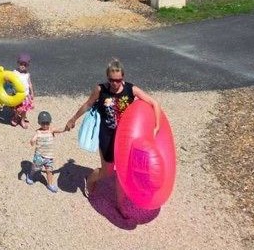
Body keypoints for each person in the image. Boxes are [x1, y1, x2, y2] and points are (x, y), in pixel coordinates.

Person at [64, 58, 162, 215]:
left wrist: (156, 126)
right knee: (107, 172)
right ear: (107, 78)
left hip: (126, 139)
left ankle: (120, 205)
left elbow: (154, 103)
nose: (115, 83)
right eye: (111, 80)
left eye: (118, 80)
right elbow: (88, 104)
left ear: (123, 77)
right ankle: (90, 180)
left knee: (123, 173)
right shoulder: (101, 89)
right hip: (107, 136)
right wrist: (73, 119)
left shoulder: (131, 89)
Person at [27, 111, 66, 192]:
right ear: (39, 123)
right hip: (39, 156)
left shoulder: (51, 130)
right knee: (35, 168)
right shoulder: (38, 132)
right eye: (43, 123)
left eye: (47, 123)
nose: (45, 125)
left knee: (49, 171)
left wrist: (66, 128)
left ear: (50, 122)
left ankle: (50, 184)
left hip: (49, 156)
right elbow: (33, 139)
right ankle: (30, 175)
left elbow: (60, 130)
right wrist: (32, 141)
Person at [11, 53, 35, 128]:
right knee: (17, 109)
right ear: (18, 63)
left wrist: (32, 93)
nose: (23, 66)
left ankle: (22, 120)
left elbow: (30, 84)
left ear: (27, 66)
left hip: (25, 95)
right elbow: (10, 81)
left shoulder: (27, 74)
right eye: (21, 64)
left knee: (24, 109)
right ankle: (16, 117)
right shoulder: (15, 72)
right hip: (17, 94)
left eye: (25, 65)